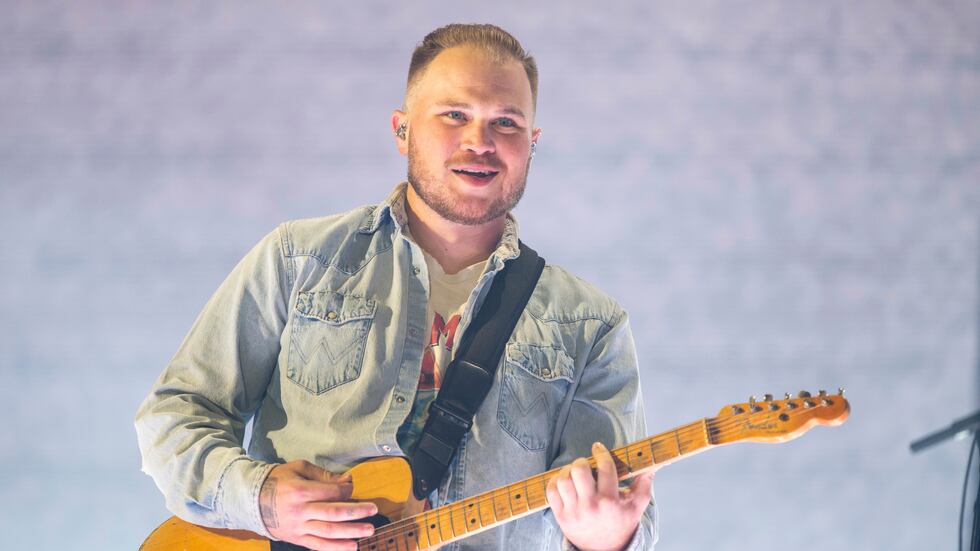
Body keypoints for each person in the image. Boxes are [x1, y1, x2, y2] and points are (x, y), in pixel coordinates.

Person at [136, 23, 656, 551]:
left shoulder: (591, 325)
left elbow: (623, 507)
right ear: (402, 130)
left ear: (532, 144)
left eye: (506, 122)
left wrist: (608, 537)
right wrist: (261, 496)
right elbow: (175, 416)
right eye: (455, 115)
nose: (480, 141)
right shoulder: (298, 260)